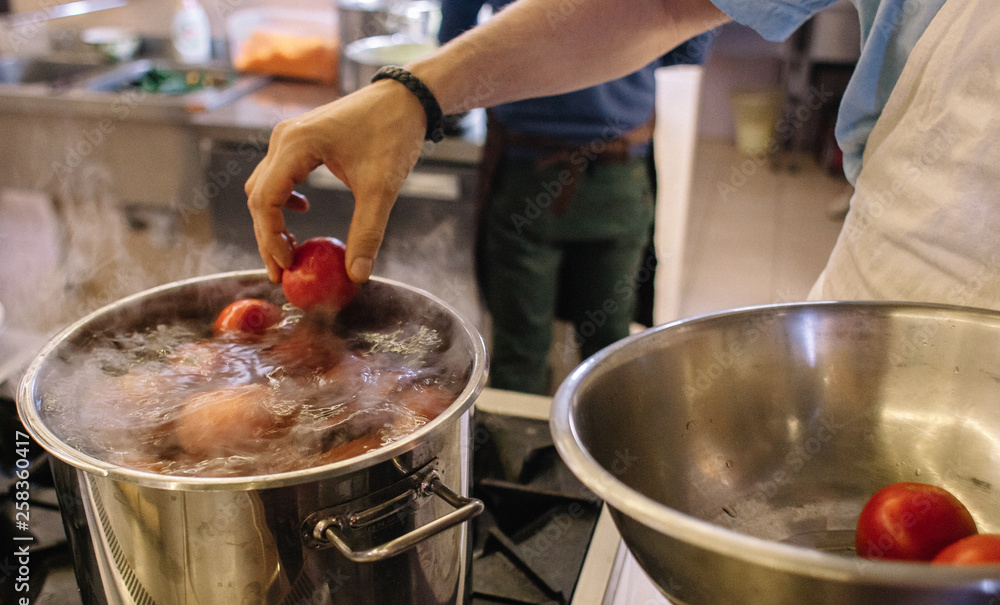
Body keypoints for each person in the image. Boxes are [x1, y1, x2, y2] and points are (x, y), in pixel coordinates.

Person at [246, 0, 1000, 323]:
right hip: (885, 303)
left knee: (603, 322)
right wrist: (413, 95)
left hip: (613, 167)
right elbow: (673, 8)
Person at [435, 0, 714, 394]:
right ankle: (607, 454)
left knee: (520, 356)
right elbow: (687, 45)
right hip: (618, 179)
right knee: (610, 349)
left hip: (526, 178)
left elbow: (453, 39)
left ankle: (519, 455)